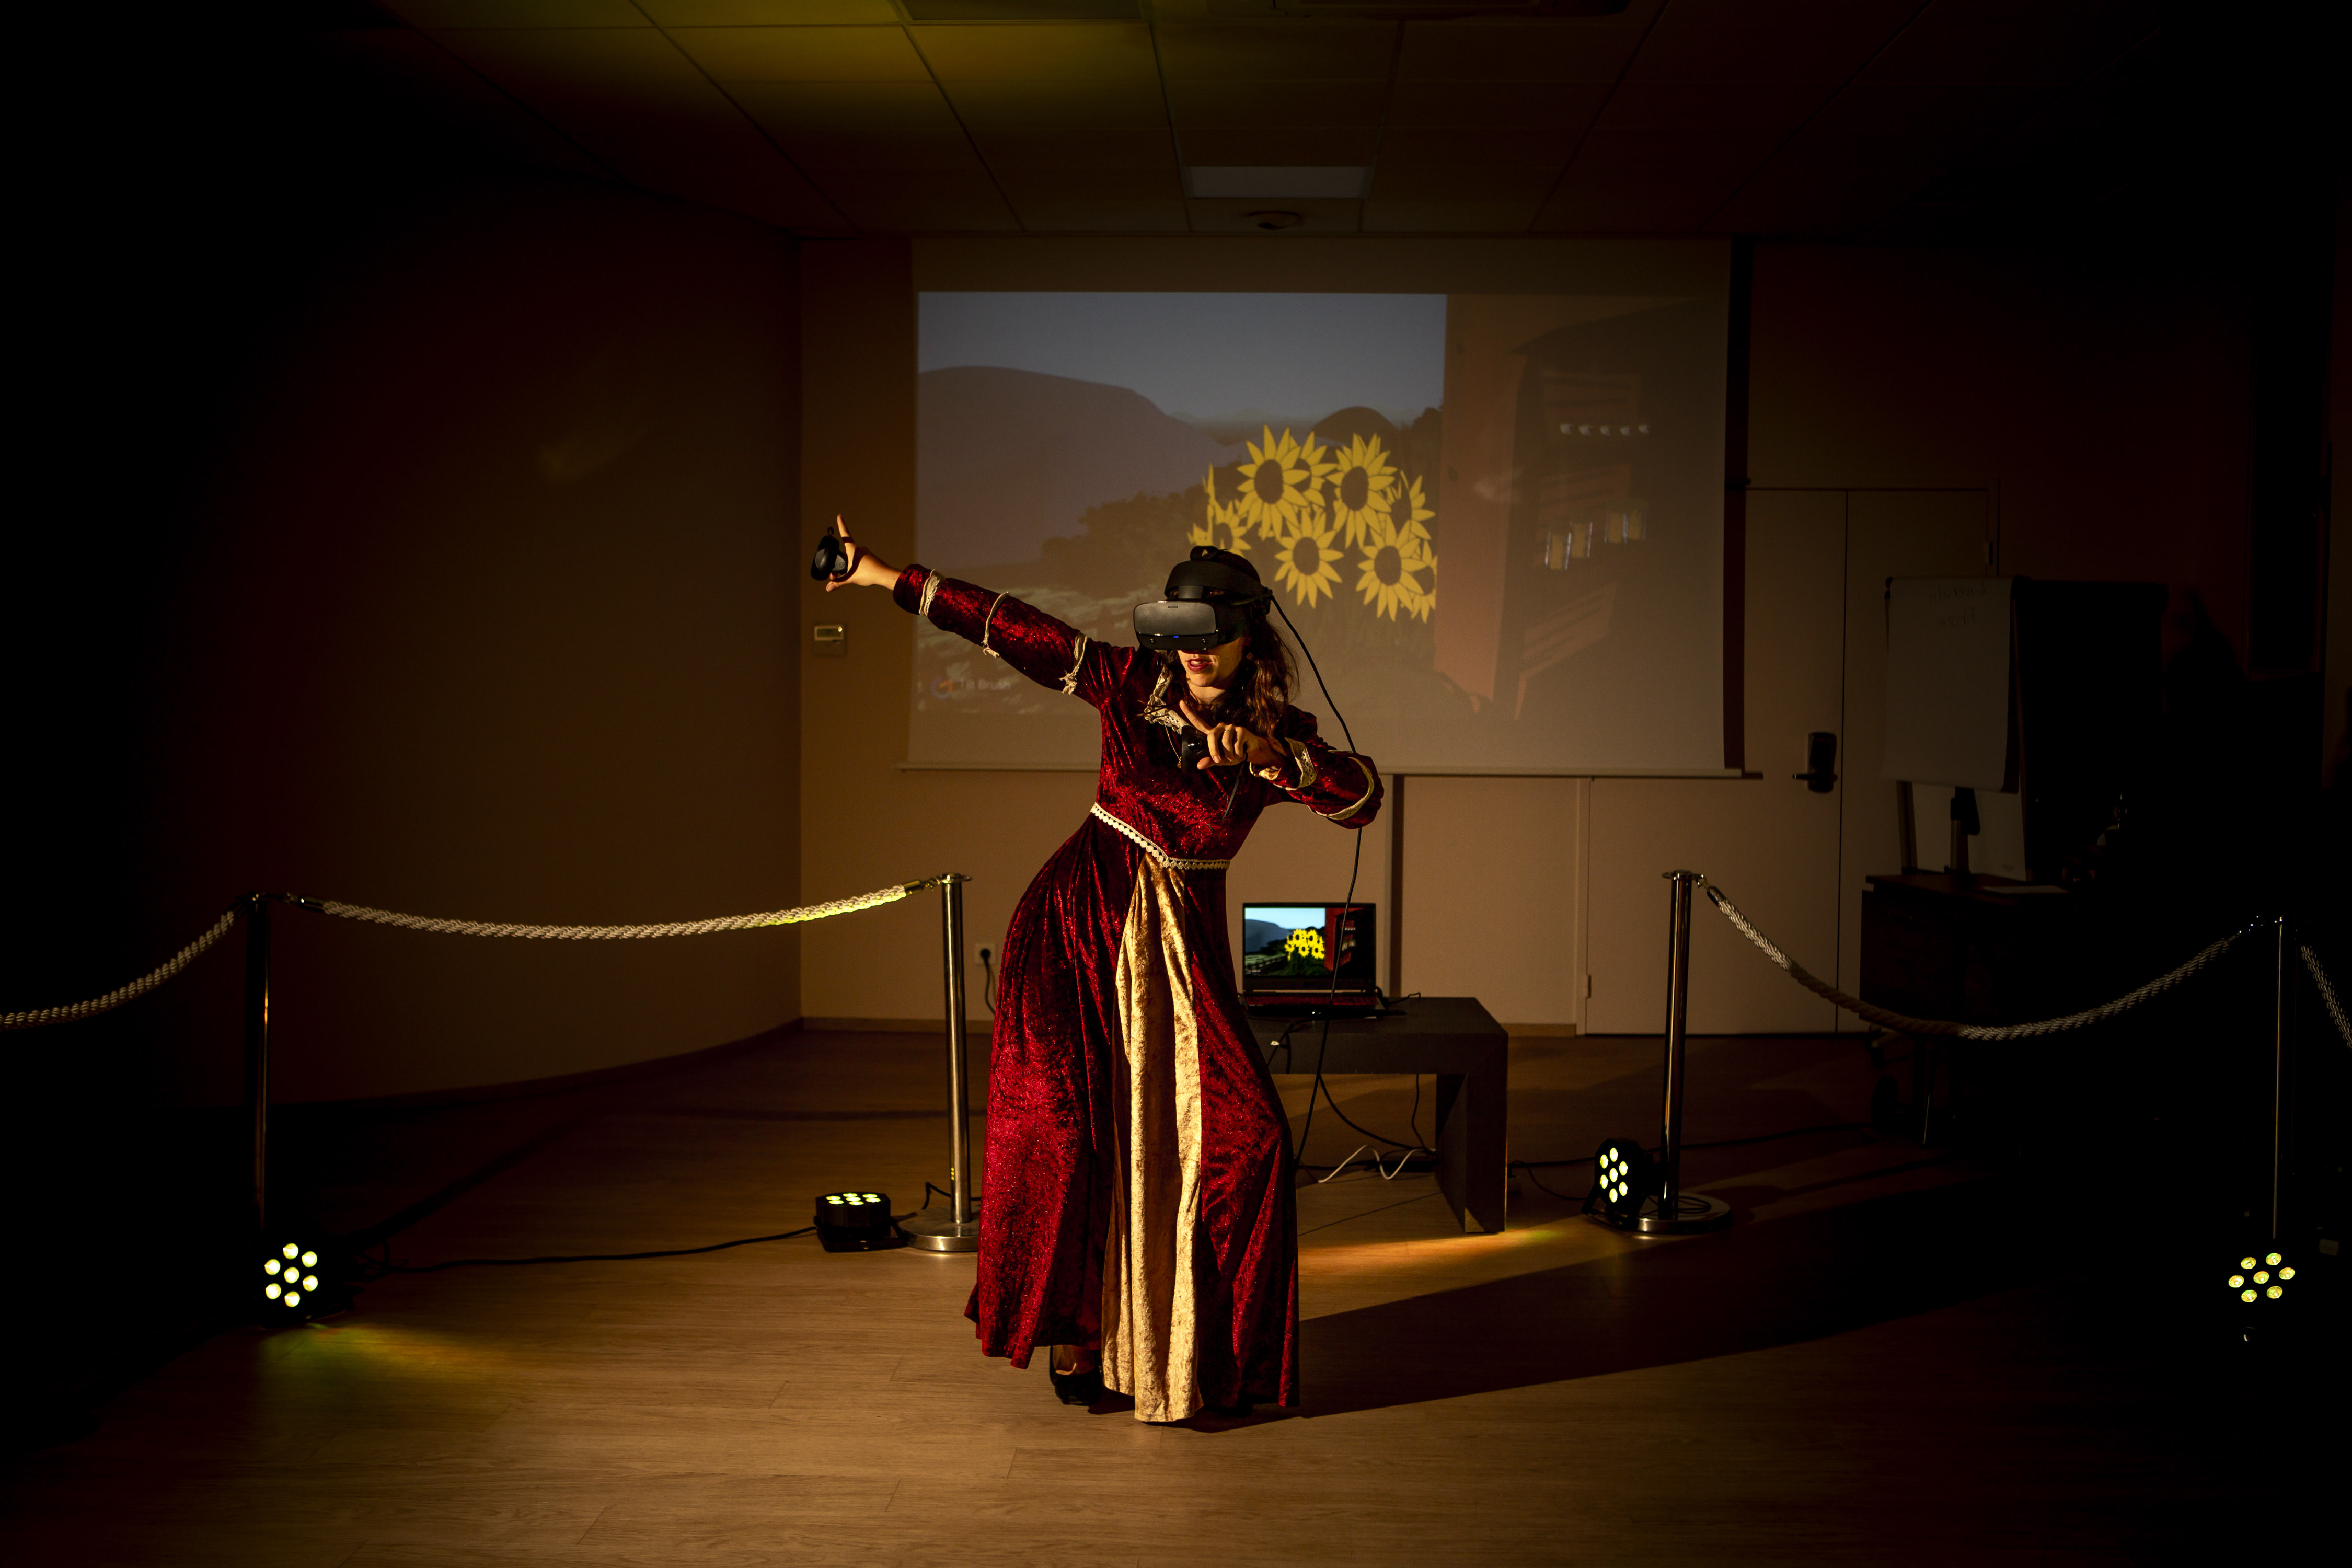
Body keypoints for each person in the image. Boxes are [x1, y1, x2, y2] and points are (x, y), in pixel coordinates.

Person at [824, 519, 1382, 1422]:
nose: (1195, 653)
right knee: (1068, 1137)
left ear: (1251, 635)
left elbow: (1361, 800)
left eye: (1213, 636)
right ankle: (1080, 1335)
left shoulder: (1281, 736)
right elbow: (1013, 627)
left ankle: (1211, 1357)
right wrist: (884, 575)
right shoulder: (1128, 684)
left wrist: (1277, 759)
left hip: (1182, 950)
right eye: (1183, 634)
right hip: (1076, 929)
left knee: (1251, 1142)